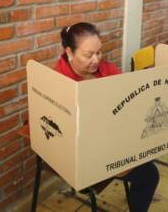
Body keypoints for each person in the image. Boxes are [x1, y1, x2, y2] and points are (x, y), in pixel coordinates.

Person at [56, 22, 159, 212]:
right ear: (69, 53)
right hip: (84, 152)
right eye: (88, 55)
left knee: (149, 147)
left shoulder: (105, 69)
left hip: (113, 138)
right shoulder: (59, 83)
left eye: (99, 52)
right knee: (149, 174)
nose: (96, 60)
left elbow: (128, 96)